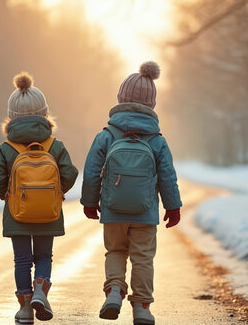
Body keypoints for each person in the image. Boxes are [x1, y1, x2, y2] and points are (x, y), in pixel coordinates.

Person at [81, 61, 182, 325]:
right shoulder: (157, 139)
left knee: (115, 251)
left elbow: (92, 171)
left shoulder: (107, 135)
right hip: (145, 212)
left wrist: (90, 202)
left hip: (113, 211)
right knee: (143, 258)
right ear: (152, 104)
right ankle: (142, 308)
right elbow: (168, 177)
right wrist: (173, 207)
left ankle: (114, 290)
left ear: (121, 98)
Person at [0, 72, 78, 324]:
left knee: (22, 260)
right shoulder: (54, 146)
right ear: (45, 114)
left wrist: (8, 195)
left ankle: (25, 308)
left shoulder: (7, 148)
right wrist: (58, 193)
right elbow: (70, 173)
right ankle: (41, 291)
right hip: (48, 213)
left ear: (11, 116)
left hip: (17, 214)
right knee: (44, 257)